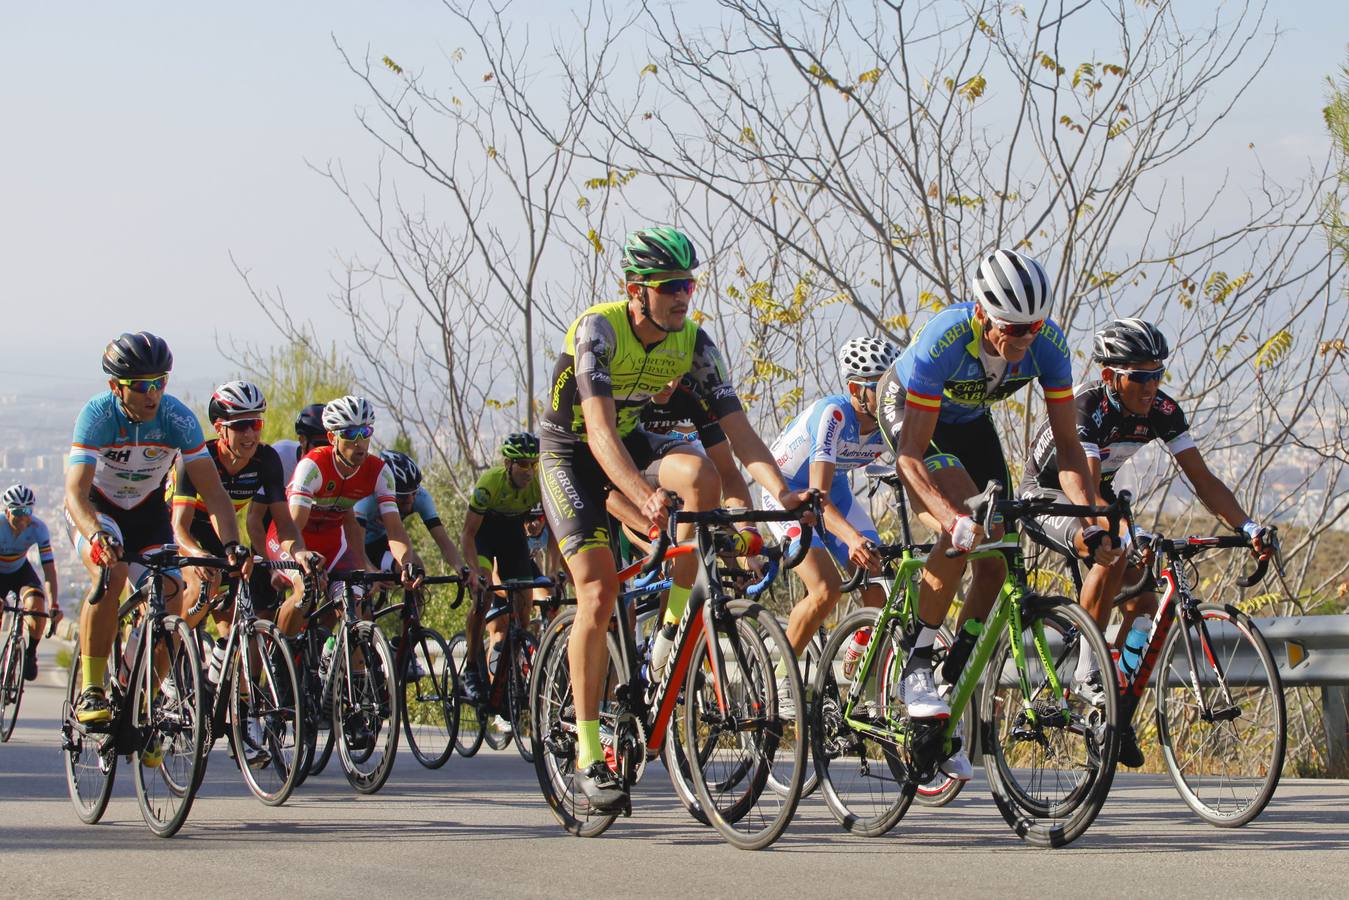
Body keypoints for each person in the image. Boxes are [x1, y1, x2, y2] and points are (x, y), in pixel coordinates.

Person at [538, 225, 807, 811]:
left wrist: (783, 495)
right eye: (670, 286)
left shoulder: (694, 343)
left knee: (700, 477)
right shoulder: (599, 330)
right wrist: (641, 492)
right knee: (597, 589)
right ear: (637, 291)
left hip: (629, 448)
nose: (684, 296)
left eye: (689, 283)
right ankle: (588, 752)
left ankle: (669, 630)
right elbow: (600, 435)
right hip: (573, 456)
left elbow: (741, 437)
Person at [875, 249, 1120, 781]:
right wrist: (949, 521)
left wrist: (1088, 518)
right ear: (983, 315)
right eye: (1012, 328)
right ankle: (916, 662)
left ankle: (952, 686)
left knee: (998, 557)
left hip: (969, 423)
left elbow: (1069, 449)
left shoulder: (1048, 347)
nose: (1023, 340)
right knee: (967, 521)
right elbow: (910, 457)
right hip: (914, 416)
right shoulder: (944, 339)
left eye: (1032, 327)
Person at [1020, 317, 1272, 766]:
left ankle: (1113, 709)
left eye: (1157, 373)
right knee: (1112, 549)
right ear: (1110, 377)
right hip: (1050, 495)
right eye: (1139, 376)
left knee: (1144, 605)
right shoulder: (1087, 408)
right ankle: (1087, 670)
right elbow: (1088, 483)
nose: (1150, 385)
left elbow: (1202, 479)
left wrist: (1247, 526)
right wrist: (1120, 532)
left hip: (1099, 497)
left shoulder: (1162, 411)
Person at [64, 332, 249, 737]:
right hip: (98, 510)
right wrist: (95, 534)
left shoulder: (176, 418)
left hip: (146, 513)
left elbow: (214, 493)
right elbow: (75, 493)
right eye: (143, 386)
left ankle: (139, 697)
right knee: (109, 575)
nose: (154, 394)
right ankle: (92, 688)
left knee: (170, 594)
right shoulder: (96, 416)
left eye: (161, 383)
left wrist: (233, 543)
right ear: (117, 387)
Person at [762, 337, 896, 656]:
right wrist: (851, 538)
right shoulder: (833, 415)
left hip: (835, 492)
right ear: (855, 391)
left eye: (895, 381)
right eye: (881, 385)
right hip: (789, 494)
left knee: (877, 581)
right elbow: (816, 497)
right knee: (825, 589)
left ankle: (859, 654)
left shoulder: (890, 420)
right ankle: (785, 684)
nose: (892, 391)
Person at [460, 433, 542, 704]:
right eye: (522, 464)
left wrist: (553, 570)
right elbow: (468, 534)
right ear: (508, 463)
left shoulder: (538, 484)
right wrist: (474, 572)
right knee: (482, 598)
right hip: (484, 539)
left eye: (533, 463)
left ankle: (512, 674)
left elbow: (555, 533)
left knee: (524, 609)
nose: (529, 471)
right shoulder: (489, 484)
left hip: (513, 541)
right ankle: (471, 667)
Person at [0, 484, 59, 680]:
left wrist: (54, 604)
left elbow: (49, 571)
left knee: (35, 606)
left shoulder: (38, 528)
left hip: (20, 570)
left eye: (27, 511)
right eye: (18, 511)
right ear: (7, 511)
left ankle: (30, 653)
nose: (23, 517)